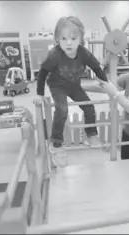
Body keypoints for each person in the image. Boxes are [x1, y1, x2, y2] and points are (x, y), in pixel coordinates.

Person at [34, 16, 109, 167]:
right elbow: (42, 73)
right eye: (63, 38)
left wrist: (105, 82)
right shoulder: (55, 55)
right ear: (57, 39)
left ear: (81, 39)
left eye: (74, 38)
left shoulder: (83, 53)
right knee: (62, 109)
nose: (69, 42)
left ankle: (90, 134)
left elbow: (96, 67)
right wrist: (40, 94)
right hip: (57, 85)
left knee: (89, 106)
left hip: (74, 85)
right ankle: (55, 142)